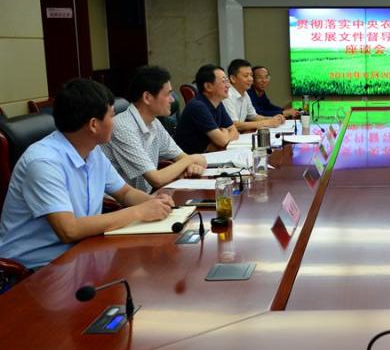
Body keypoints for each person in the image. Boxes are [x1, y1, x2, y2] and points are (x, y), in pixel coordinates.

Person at [0, 79, 174, 270]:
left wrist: (155, 202)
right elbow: (69, 230)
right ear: (93, 125)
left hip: (83, 252)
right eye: (112, 116)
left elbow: (125, 193)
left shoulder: (92, 150)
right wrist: (139, 211)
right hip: (36, 269)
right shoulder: (43, 162)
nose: (115, 123)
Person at [103, 65, 208, 193]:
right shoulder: (123, 127)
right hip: (122, 203)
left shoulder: (154, 123)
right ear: (147, 97)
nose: (172, 100)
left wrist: (191, 163)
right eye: (168, 94)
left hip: (146, 197)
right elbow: (156, 179)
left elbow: (183, 157)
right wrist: (191, 160)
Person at [175, 64, 240, 154]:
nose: (228, 85)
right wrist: (225, 133)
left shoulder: (218, 103)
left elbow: (235, 132)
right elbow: (222, 142)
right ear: (208, 86)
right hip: (189, 158)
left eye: (227, 81)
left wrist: (224, 136)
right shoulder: (198, 106)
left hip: (208, 154)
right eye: (223, 81)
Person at [223, 59, 286, 130]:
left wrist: (273, 119)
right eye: (246, 76)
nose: (250, 79)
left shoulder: (245, 94)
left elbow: (254, 116)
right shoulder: (227, 95)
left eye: (251, 75)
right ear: (233, 78)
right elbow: (234, 125)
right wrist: (266, 122)